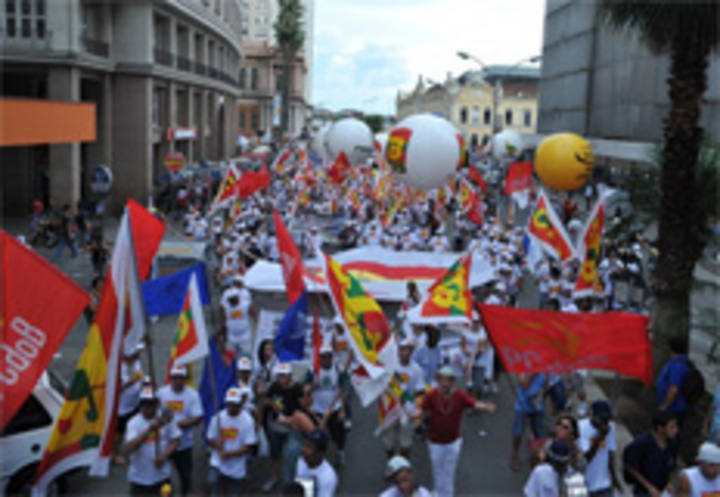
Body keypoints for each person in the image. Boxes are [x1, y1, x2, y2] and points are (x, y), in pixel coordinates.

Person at [421, 366, 496, 497]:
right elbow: (422, 411)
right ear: (438, 381)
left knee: (449, 472)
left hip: (453, 442)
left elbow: (473, 403)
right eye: (442, 380)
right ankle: (438, 493)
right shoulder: (431, 395)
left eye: (448, 380)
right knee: (437, 471)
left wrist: (486, 406)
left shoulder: (459, 396)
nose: (444, 383)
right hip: (435, 442)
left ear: (452, 382)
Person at [122, 387, 180, 496]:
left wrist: (164, 456)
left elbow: (176, 440)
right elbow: (129, 447)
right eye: (144, 403)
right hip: (139, 480)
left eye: (150, 403)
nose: (147, 407)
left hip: (162, 477)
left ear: (156, 404)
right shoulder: (133, 423)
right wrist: (149, 430)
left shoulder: (164, 417)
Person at [156, 365, 203, 496]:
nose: (178, 381)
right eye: (175, 377)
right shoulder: (161, 393)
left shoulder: (192, 395)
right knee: (163, 477)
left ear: (185, 378)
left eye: (181, 378)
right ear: (171, 378)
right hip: (165, 443)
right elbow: (155, 415)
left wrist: (179, 424)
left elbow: (198, 418)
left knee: (185, 476)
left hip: (184, 444)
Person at [206, 387, 258, 496]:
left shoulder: (248, 421)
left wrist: (229, 454)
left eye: (235, 404)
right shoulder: (217, 418)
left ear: (240, 404)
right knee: (213, 482)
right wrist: (216, 444)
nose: (232, 407)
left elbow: (248, 447)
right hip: (218, 462)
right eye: (230, 403)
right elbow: (210, 438)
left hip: (236, 466)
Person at [382, 338, 427, 459]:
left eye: (408, 349)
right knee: (388, 444)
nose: (405, 352)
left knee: (406, 444)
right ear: (398, 351)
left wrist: (416, 408)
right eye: (402, 349)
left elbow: (420, 391)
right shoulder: (391, 366)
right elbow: (382, 386)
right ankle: (392, 466)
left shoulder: (416, 369)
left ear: (412, 351)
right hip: (390, 409)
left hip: (407, 411)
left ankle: (403, 467)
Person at [305, 345, 349, 466]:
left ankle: (340, 451)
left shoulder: (338, 369)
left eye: (328, 356)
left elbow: (343, 389)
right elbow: (305, 389)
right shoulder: (313, 371)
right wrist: (313, 385)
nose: (326, 359)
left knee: (339, 432)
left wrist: (343, 410)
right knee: (317, 435)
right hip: (317, 409)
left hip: (334, 408)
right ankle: (319, 457)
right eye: (323, 357)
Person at [622, 410, 679, 497]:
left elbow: (671, 465)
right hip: (643, 491)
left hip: (662, 490)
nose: (676, 430)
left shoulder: (672, 445)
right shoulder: (642, 443)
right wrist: (649, 487)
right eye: (671, 427)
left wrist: (668, 483)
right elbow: (631, 467)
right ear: (660, 428)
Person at [259, 362, 296, 491]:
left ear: (290, 376)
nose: (281, 379)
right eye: (279, 376)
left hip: (292, 427)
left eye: (284, 376)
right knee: (274, 453)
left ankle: (292, 479)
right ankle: (275, 477)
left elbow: (302, 408)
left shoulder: (296, 389)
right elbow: (265, 400)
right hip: (276, 426)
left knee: (292, 453)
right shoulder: (274, 387)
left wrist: (290, 419)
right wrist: (271, 403)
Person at [578, 400, 622, 496]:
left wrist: (614, 479)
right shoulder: (581, 428)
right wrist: (600, 437)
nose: (605, 423)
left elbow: (611, 454)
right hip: (586, 484)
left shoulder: (610, 427)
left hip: (604, 484)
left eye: (607, 419)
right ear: (593, 416)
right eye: (602, 419)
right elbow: (586, 459)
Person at [511, 373, 547, 472]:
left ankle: (536, 458)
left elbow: (546, 387)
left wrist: (541, 394)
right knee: (518, 433)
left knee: (538, 434)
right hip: (522, 406)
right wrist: (534, 374)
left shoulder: (545, 369)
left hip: (537, 406)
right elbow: (524, 385)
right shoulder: (522, 366)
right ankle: (515, 455)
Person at [656, 335, 691, 423]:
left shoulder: (677, 366)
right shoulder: (676, 362)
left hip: (674, 408)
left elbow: (674, 389)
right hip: (672, 406)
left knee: (670, 431)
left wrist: (665, 405)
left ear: (671, 347)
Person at [296, 429, 338, 497]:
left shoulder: (327, 477)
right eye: (305, 444)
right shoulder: (301, 460)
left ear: (320, 453)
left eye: (309, 447)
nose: (303, 449)